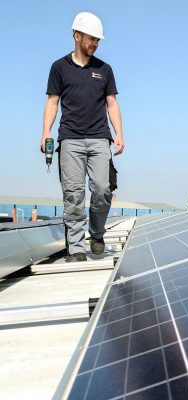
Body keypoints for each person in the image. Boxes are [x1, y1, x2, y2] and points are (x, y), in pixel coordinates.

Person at [40, 12, 124, 262]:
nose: (95, 44)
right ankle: (76, 248)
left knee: (102, 189)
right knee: (73, 195)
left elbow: (112, 104)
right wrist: (45, 132)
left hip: (100, 138)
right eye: (91, 39)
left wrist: (119, 133)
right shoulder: (59, 67)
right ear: (77, 36)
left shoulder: (105, 69)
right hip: (70, 140)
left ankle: (96, 233)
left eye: (98, 40)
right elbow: (52, 103)